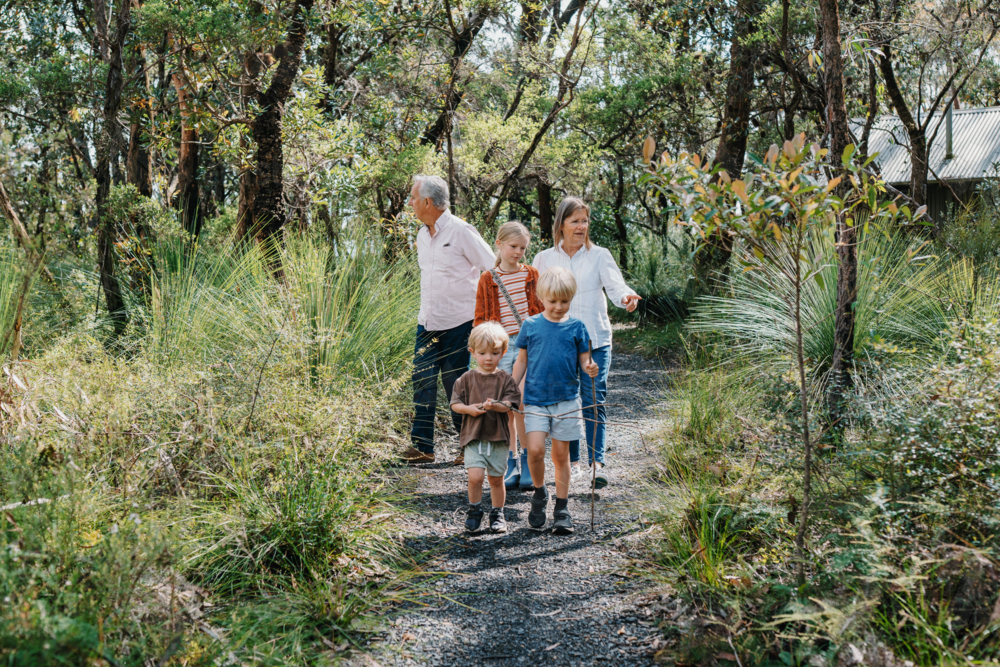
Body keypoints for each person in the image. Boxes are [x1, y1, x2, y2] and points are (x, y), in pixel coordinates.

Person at [532, 197, 640, 489]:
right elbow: (534, 298)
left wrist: (626, 299)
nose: (581, 226)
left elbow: (617, 287)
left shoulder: (599, 255)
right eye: (575, 221)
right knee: (566, 403)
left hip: (595, 340)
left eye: (585, 221)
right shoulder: (544, 258)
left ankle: (596, 464)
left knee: (593, 399)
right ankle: (573, 464)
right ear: (561, 224)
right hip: (558, 342)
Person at [400, 175, 496, 465]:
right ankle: (422, 447)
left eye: (414, 199)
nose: (411, 204)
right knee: (422, 380)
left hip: (460, 323)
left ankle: (468, 447)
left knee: (456, 385)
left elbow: (492, 268)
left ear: (428, 202)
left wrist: (486, 319)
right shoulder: (420, 235)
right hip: (427, 323)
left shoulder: (461, 231)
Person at [512, 267, 599, 535]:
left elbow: (584, 358)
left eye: (565, 301)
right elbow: (522, 360)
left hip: (566, 400)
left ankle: (562, 507)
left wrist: (589, 366)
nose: (559, 307)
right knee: (535, 450)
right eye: (553, 301)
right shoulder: (531, 325)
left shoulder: (577, 327)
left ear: (571, 299)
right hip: (536, 399)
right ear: (541, 298)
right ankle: (540, 493)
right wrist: (511, 386)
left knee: (561, 455)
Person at [473, 221, 544, 491]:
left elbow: (541, 310)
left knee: (522, 402)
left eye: (523, 248)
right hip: (501, 346)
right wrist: (485, 351)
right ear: (499, 244)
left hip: (528, 345)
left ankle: (527, 461)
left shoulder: (532, 274)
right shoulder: (488, 278)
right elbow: (480, 318)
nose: (518, 252)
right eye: (513, 246)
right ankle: (511, 462)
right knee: (506, 407)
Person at [450, 323, 522, 533]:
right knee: (475, 477)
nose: (488, 358)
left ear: (503, 353)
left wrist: (497, 406)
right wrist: (469, 410)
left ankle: (497, 513)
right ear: (472, 352)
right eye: (482, 353)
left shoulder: (506, 379)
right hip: (474, 437)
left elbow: (511, 405)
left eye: (494, 353)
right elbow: (455, 404)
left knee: (496, 479)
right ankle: (474, 510)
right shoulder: (466, 379)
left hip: (498, 438)